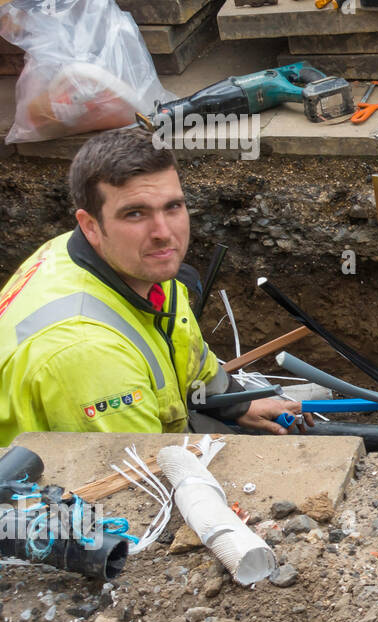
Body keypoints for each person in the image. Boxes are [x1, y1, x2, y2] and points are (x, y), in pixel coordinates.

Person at [0, 130, 307, 445]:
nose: (163, 232)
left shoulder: (124, 263)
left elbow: (186, 347)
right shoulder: (88, 353)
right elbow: (142, 476)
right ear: (90, 225)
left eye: (172, 207)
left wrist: (235, 402)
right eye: (135, 213)